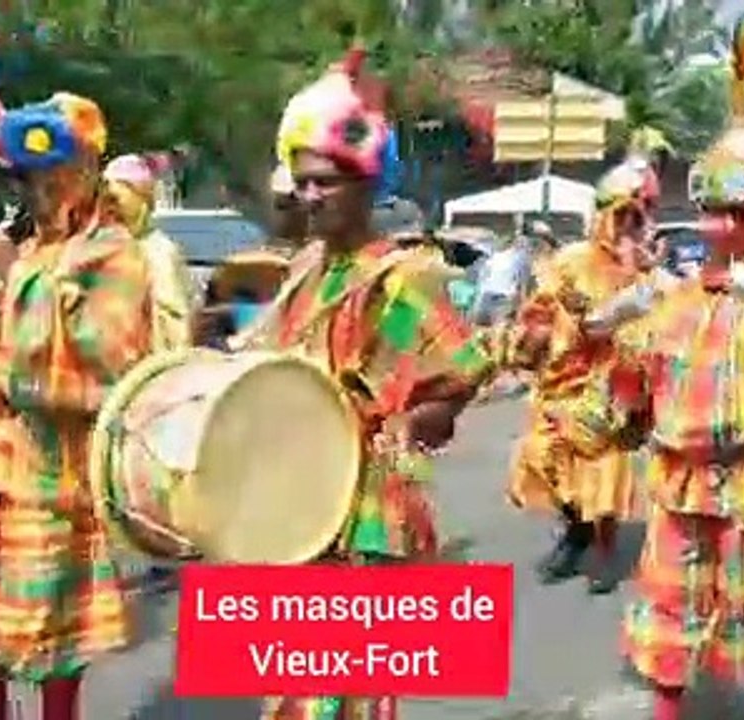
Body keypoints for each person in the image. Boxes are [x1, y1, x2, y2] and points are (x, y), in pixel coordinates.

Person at [237, 47, 493, 720]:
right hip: (298, 501)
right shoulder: (310, 267)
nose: (312, 194)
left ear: (365, 183)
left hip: (364, 511)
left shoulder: (401, 275)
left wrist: (423, 420)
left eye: (329, 180)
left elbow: (461, 372)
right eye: (305, 181)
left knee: (341, 697)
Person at [584, 11, 744, 719]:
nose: (725, 227)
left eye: (742, 213)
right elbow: (633, 395)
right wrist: (594, 363)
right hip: (679, 490)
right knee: (668, 645)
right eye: (714, 212)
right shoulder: (672, 300)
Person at [0, 92, 153, 720]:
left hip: (51, 469)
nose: (39, 188)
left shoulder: (114, 253)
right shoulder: (9, 247)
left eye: (54, 171)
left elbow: (111, 358)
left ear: (87, 171)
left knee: (49, 636)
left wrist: (26, 287)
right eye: (26, 176)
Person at [505, 162, 655, 595]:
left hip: (608, 385)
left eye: (636, 217)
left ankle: (603, 553)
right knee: (547, 460)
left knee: (604, 471)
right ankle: (574, 533)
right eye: (620, 215)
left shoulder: (642, 269)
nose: (626, 226)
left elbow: (653, 325)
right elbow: (539, 309)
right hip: (561, 380)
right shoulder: (570, 260)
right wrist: (533, 336)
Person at [102, 153, 195, 352]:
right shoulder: (99, 248)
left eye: (115, 200)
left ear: (143, 200)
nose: (110, 209)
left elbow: (176, 322)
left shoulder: (158, 251)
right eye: (104, 201)